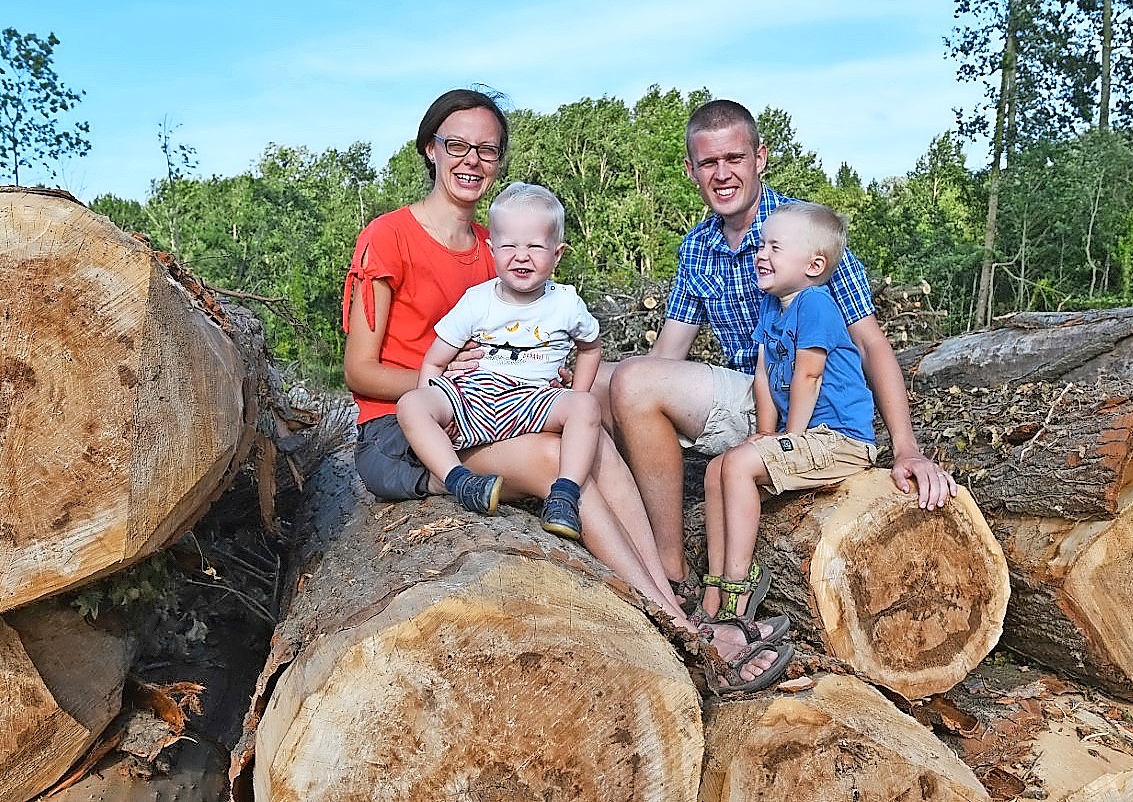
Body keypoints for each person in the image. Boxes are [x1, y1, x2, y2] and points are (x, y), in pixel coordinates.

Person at [342, 88, 791, 695]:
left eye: (488, 149)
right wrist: (449, 379)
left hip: (490, 409)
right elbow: (361, 372)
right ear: (430, 150)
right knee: (562, 463)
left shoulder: (497, 250)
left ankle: (670, 593)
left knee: (593, 441)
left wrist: (546, 377)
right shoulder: (388, 237)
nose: (472, 160)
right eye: (457, 146)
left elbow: (543, 342)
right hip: (410, 428)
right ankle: (677, 626)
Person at [605, 99, 958, 614]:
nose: (722, 174)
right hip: (754, 396)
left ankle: (671, 570)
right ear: (691, 169)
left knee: (631, 382)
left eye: (734, 159)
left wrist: (905, 447)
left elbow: (870, 343)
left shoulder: (800, 232)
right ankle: (559, 490)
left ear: (760, 157)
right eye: (708, 163)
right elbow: (667, 354)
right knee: (601, 384)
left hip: (808, 413)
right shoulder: (697, 247)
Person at [701, 201, 881, 622]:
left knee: (741, 467)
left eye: (774, 247)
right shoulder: (771, 307)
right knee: (716, 470)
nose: (761, 254)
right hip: (805, 434)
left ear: (814, 265)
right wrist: (765, 432)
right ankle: (713, 586)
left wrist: (788, 438)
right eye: (761, 245)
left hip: (840, 440)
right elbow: (763, 374)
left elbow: (809, 377)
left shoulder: (815, 304)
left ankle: (738, 588)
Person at [395, 182, 602, 541]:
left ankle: (564, 495)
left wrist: (573, 395)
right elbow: (433, 363)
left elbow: (591, 348)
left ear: (557, 254)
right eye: (509, 246)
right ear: (491, 250)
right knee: (411, 404)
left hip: (533, 399)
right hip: (472, 396)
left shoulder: (566, 304)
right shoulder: (477, 301)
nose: (522, 256)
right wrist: (437, 409)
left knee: (586, 407)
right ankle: (459, 481)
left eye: (536, 246)